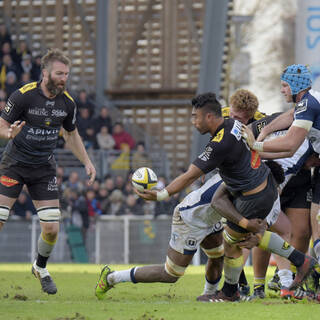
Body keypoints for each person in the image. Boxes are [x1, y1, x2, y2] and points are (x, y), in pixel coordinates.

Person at [95, 92, 315, 302]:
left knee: (227, 248)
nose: (193, 121)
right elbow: (208, 190)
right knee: (172, 273)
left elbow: (193, 176)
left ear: (209, 116)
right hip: (193, 215)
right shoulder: (233, 135)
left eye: (195, 116)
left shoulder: (229, 143)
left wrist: (162, 194)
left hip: (220, 209)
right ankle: (113, 277)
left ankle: (222, 293)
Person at [0, 48, 96, 294]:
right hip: (15, 163)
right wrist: (8, 133)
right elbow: (2, 124)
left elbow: (71, 135)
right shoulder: (23, 96)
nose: (64, 78)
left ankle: (40, 268)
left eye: (67, 74)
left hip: (43, 168)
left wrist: (87, 162)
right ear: (45, 73)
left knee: (52, 228)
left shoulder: (68, 103)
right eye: (59, 73)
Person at [242, 64, 320, 285]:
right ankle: (300, 283)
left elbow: (290, 145)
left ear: (296, 86)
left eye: (285, 85)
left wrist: (255, 147)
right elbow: (289, 116)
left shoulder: (308, 103)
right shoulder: (308, 101)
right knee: (316, 230)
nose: (282, 90)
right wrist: (265, 132)